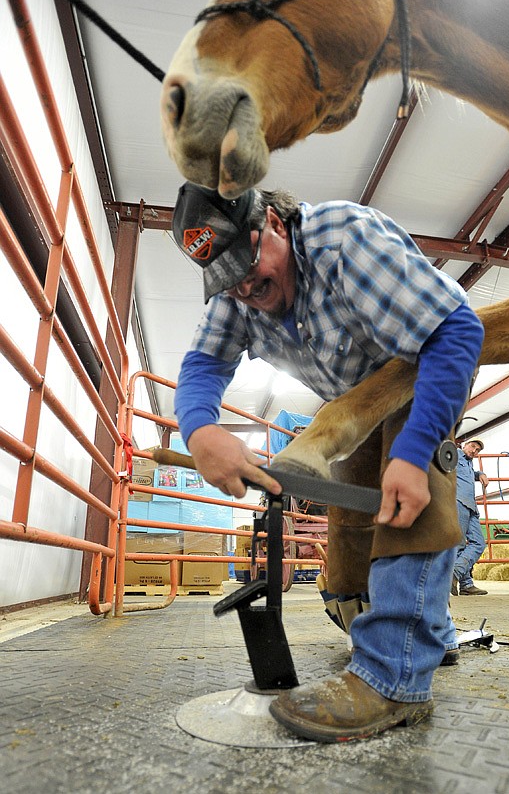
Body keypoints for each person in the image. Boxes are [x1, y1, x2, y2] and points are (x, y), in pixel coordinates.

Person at [173, 183, 484, 742]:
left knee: (410, 500)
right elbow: (201, 365)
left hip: (421, 369)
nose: (244, 285)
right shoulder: (235, 288)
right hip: (350, 402)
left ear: (270, 221)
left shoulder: (344, 241)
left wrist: (414, 455)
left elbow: (459, 332)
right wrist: (200, 430)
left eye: (248, 264)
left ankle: (392, 679)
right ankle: (429, 631)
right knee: (347, 548)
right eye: (227, 279)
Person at [451, 440, 489, 595]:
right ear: (465, 445)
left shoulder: (469, 463)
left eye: (478, 450)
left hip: (471, 506)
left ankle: (460, 578)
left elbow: (468, 474)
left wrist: (480, 474)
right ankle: (462, 581)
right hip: (458, 502)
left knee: (479, 542)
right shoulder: (454, 455)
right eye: (473, 446)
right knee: (459, 545)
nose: (475, 451)